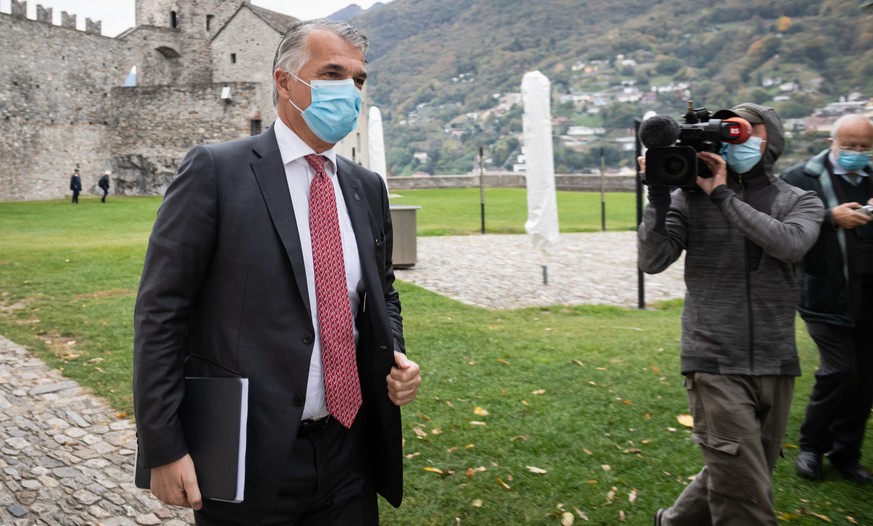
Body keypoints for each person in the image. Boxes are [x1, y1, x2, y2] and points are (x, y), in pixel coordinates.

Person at [133, 19, 421, 525]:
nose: (350, 90)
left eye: (358, 79)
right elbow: (161, 313)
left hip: (351, 448)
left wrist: (393, 352)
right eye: (332, 72)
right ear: (284, 82)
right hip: (249, 450)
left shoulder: (366, 187)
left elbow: (383, 293)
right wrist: (163, 445)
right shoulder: (215, 172)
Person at [638, 103, 824, 526]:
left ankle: (673, 522)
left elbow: (790, 245)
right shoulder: (689, 200)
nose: (734, 139)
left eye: (745, 131)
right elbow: (652, 260)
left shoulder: (800, 200)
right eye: (728, 131)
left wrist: (723, 195)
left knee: (746, 470)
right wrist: (659, 192)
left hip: (776, 360)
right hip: (714, 358)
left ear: (769, 140)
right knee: (743, 491)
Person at [782, 114, 873, 485]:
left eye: (864, 147)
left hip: (868, 296)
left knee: (865, 380)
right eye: (848, 146)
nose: (855, 153)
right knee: (840, 371)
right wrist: (828, 217)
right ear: (832, 142)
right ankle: (810, 447)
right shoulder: (801, 177)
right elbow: (784, 226)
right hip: (822, 293)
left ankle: (846, 454)